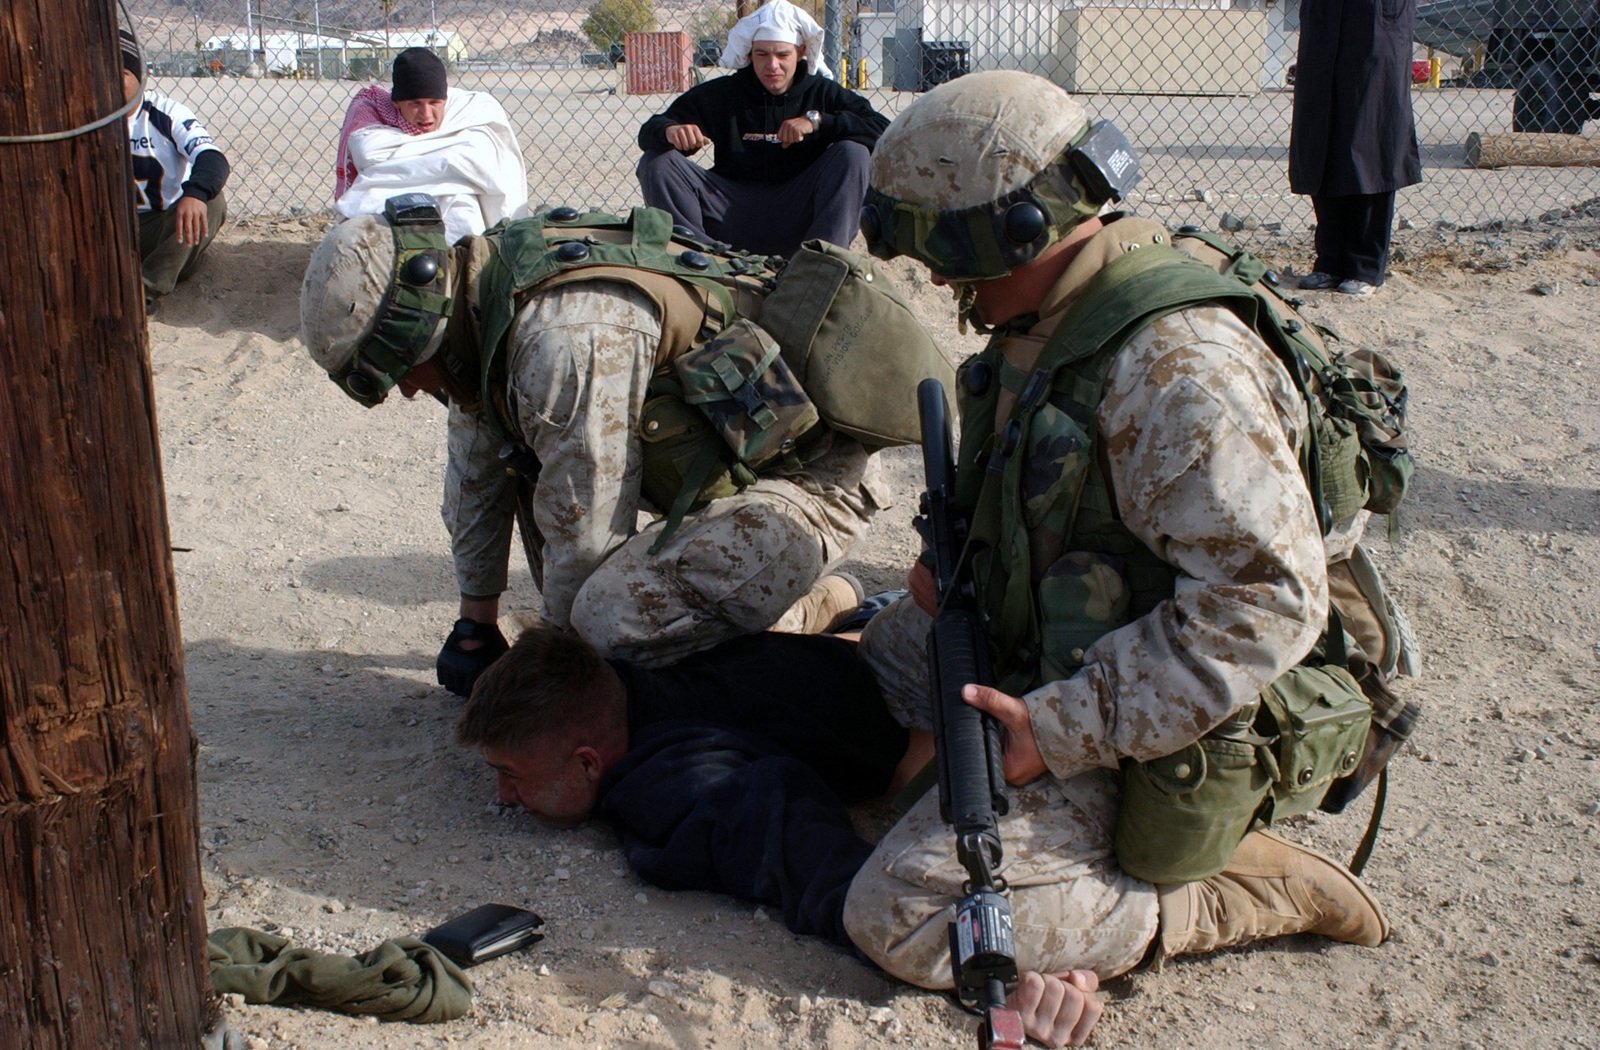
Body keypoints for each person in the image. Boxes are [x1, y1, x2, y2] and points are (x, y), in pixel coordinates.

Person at [838, 71, 1398, 1043]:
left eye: (945, 247)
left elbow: (1267, 603)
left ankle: (1232, 894)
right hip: (1080, 637)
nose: (936, 278)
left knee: (905, 915)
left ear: (1018, 228)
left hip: (1189, 700)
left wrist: (1058, 729)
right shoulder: (1048, 309)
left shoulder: (1174, 366)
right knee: (852, 695)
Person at [298, 202, 884, 698]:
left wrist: (558, 676)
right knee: (574, 573)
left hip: (813, 486)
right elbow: (475, 469)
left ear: (413, 325)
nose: (403, 389)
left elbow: (587, 531)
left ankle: (804, 612)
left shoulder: (564, 342)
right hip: (732, 481)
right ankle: (740, 610)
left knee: (609, 619)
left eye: (398, 369)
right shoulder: (475, 303)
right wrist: (474, 628)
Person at [458, 622, 1102, 1049]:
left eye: (511, 776)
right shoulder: (634, 681)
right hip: (877, 649)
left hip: (970, 723)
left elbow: (804, 855)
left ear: (588, 761)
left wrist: (983, 961)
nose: (502, 797)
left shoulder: (675, 783)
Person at [635, 0, 889, 258]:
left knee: (853, 153)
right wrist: (671, 131)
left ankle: (821, 263)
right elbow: (649, 131)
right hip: (729, 210)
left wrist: (817, 121)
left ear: (800, 52)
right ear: (748, 54)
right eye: (762, 54)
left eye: (782, 55)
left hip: (798, 212)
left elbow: (882, 131)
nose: (772, 66)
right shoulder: (723, 93)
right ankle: (699, 257)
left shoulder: (822, 92)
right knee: (657, 162)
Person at [1289, 0, 1422, 297]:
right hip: (1327, 15)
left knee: (1371, 131)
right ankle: (1330, 260)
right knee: (1324, 125)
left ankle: (1365, 265)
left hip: (1377, 17)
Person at [335, 47, 528, 244]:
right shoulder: (369, 111)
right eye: (415, 103)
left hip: (459, 195)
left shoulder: (469, 110)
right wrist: (450, 154)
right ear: (397, 103)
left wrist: (411, 156)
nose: (426, 115)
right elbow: (367, 152)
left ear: (445, 100)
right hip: (389, 197)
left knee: (465, 217)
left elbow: (479, 158)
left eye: (434, 103)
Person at [121, 29, 230, 303]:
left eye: (121, 73)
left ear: (140, 76)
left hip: (160, 229)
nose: (108, 80)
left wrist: (196, 193)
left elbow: (212, 158)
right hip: (103, 227)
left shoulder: (165, 113)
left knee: (212, 201)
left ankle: (145, 291)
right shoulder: (80, 117)